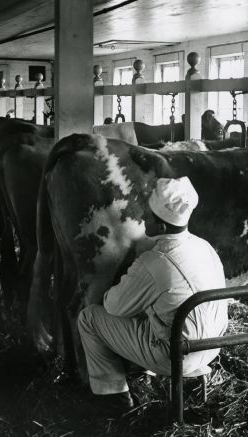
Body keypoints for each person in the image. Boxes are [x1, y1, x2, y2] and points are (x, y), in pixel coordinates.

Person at [77, 176, 228, 416]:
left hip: (175, 357)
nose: (143, 218)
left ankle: (114, 396)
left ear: (162, 227)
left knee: (89, 318)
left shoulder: (154, 261)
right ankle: (142, 374)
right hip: (212, 348)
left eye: (148, 216)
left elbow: (114, 307)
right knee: (157, 311)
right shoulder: (205, 247)